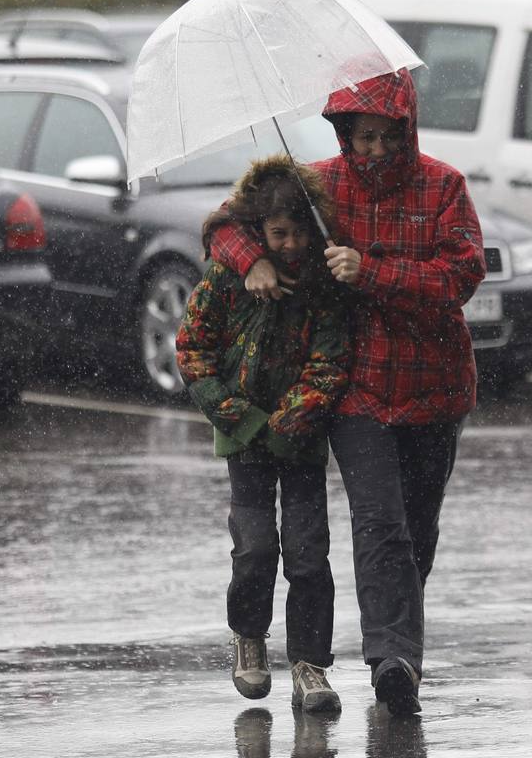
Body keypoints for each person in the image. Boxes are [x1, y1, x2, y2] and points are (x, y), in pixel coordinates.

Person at [206, 69, 487, 716]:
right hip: (359, 391)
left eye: (386, 138)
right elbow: (224, 224)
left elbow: (460, 276)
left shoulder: (445, 188)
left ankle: (398, 636)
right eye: (362, 138)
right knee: (379, 523)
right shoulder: (319, 188)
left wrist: (376, 272)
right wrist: (256, 262)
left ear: (406, 133)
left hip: (436, 390)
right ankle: (394, 662)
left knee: (417, 531)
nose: (374, 152)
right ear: (343, 134)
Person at [176, 154, 349, 713]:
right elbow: (193, 350)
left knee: (307, 554)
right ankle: (249, 636)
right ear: (258, 230)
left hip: (300, 440)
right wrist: (241, 419)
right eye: (279, 233)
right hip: (243, 441)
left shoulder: (320, 283)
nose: (292, 244)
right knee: (254, 549)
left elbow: (329, 363)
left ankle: (310, 664)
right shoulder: (228, 278)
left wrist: (289, 421)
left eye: (300, 232)